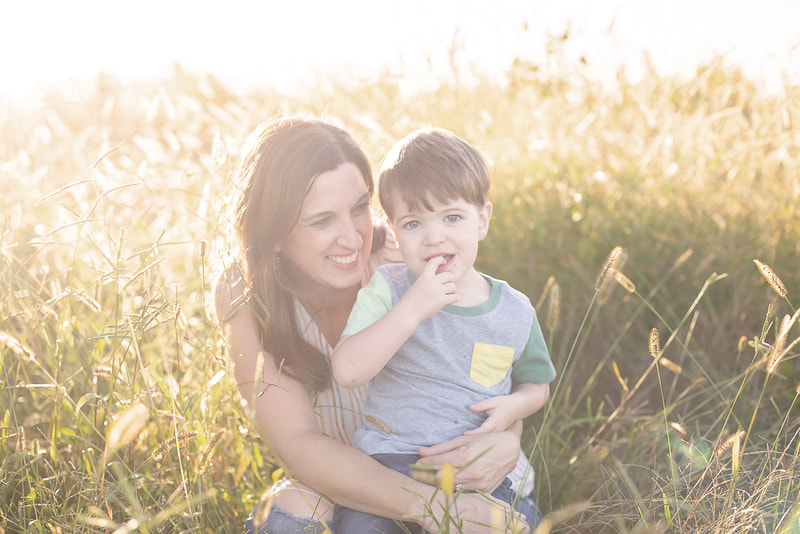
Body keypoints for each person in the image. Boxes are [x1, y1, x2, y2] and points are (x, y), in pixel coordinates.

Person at [214, 116, 536, 534]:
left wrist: (510, 438)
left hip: (456, 476)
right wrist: (436, 510)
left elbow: (494, 367)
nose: (352, 239)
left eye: (359, 208)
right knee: (292, 505)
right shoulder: (246, 293)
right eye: (321, 220)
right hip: (355, 489)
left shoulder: (407, 261)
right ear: (273, 232)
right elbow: (297, 445)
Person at [331, 127, 556, 533]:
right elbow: (348, 371)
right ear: (394, 230)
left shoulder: (514, 311)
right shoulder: (388, 288)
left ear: (482, 220)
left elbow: (536, 384)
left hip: (476, 471)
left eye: (452, 217)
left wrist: (514, 407)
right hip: (389, 467)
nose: (435, 237)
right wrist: (413, 308)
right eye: (414, 223)